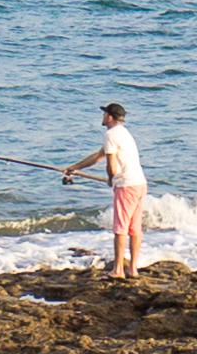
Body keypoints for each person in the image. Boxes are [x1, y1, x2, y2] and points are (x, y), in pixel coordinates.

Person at [56, 99, 149, 275]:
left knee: (121, 228)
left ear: (110, 117)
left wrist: (111, 178)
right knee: (135, 228)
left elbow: (111, 165)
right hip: (140, 183)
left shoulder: (111, 135)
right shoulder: (123, 133)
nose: (103, 116)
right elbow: (98, 156)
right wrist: (74, 168)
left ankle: (118, 270)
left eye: (105, 113)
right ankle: (133, 269)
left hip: (126, 186)